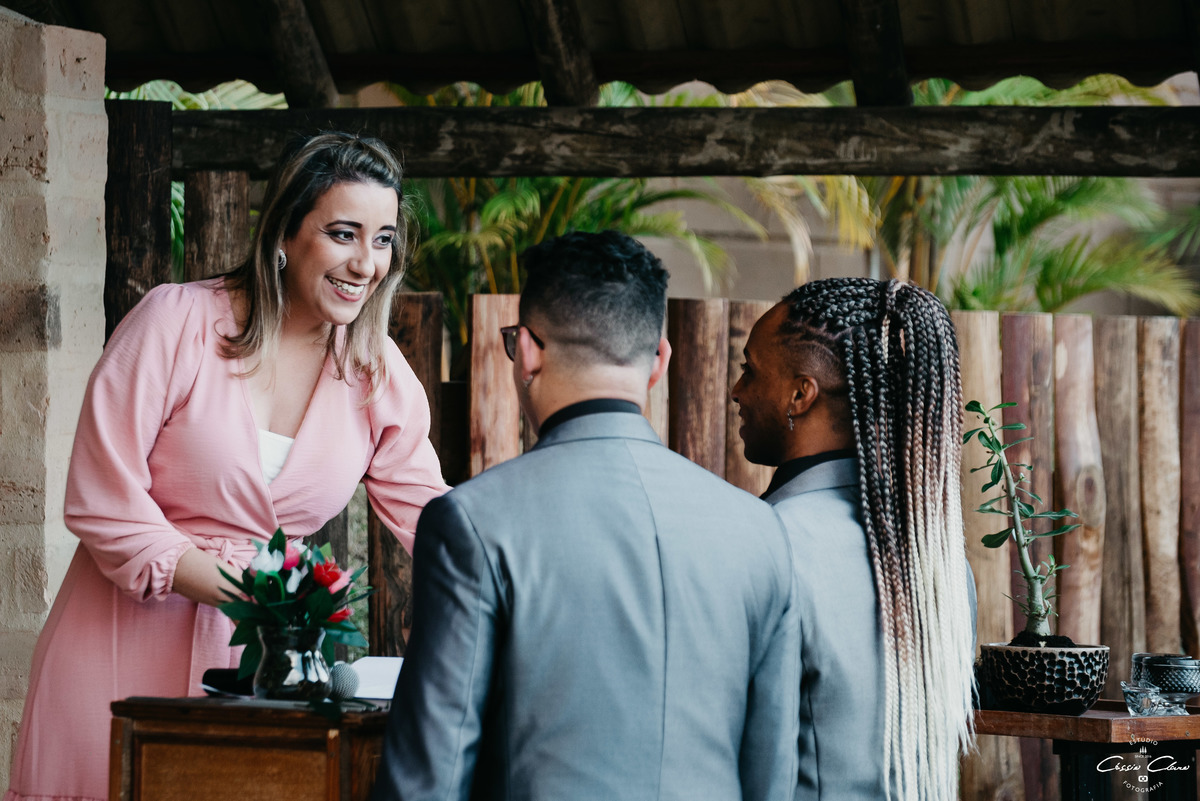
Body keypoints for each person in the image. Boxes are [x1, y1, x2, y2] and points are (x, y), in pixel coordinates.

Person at [5, 132, 450, 801]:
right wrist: (259, 599)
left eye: (383, 239)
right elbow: (102, 502)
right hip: (115, 644)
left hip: (261, 671)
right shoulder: (175, 322)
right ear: (285, 233)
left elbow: (437, 522)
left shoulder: (376, 371)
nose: (366, 263)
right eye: (343, 234)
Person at [371, 231, 800, 801]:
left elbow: (430, 778)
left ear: (527, 351)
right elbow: (772, 774)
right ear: (659, 362)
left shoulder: (473, 522)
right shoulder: (760, 529)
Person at [732, 277, 976, 801]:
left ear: (800, 394)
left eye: (749, 369)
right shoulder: (940, 559)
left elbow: (750, 754)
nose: (736, 390)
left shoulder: (766, 541)